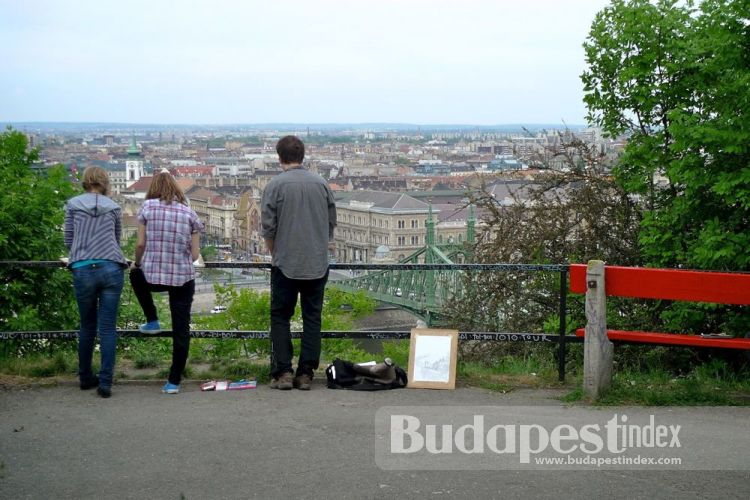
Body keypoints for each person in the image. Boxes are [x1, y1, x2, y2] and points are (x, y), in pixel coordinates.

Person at [261, 135, 337, 390]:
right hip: (317, 262)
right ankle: (305, 374)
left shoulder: (275, 185)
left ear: (279, 157)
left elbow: (268, 228)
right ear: (302, 156)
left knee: (280, 316)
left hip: (285, 263)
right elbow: (330, 224)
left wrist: (276, 254)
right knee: (312, 317)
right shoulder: (322, 184)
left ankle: (283, 372)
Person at [130, 169, 204, 394]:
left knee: (135, 275)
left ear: (153, 188)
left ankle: (152, 320)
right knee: (181, 329)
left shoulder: (147, 208)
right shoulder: (190, 214)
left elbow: (140, 244)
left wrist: (138, 263)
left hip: (152, 276)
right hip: (182, 278)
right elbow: (193, 256)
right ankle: (173, 382)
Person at [64, 166, 128, 398]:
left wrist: (81, 251)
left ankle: (84, 377)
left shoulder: (73, 205)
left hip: (83, 268)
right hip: (111, 267)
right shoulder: (114, 207)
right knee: (108, 328)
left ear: (85, 181)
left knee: (87, 326)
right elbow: (117, 238)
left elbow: (68, 238)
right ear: (105, 182)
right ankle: (105, 382)